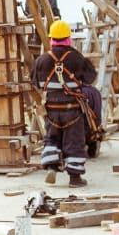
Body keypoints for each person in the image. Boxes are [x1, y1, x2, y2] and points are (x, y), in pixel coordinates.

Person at [31, 20, 96, 187]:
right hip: (72, 110)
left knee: (51, 138)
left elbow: (35, 83)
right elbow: (90, 78)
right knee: (74, 141)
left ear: (52, 39)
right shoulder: (77, 58)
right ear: (68, 38)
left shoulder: (42, 60)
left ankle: (52, 166)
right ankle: (75, 178)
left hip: (51, 110)